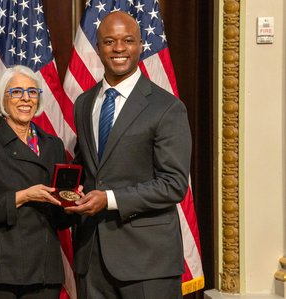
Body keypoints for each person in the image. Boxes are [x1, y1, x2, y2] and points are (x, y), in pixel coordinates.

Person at [65, 11, 192, 299]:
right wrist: (65, 190)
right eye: (109, 41)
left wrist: (108, 199)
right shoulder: (84, 104)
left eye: (127, 40)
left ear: (141, 45)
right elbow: (87, 166)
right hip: (92, 257)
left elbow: (173, 185)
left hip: (147, 260)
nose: (119, 49)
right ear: (97, 48)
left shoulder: (167, 107)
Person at [0, 65, 73, 299]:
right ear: (2, 98)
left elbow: (60, 220)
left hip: (43, 272)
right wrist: (24, 196)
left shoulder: (53, 145)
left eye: (32, 92)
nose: (26, 99)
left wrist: (72, 201)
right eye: (17, 92)